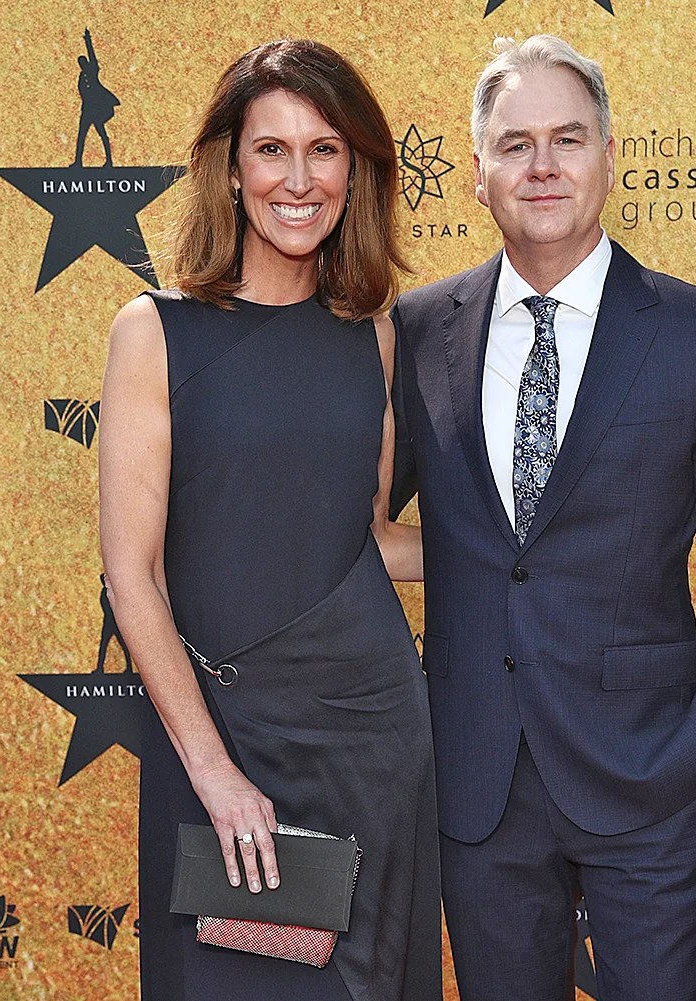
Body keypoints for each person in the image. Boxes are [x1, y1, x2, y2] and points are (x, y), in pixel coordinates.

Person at [389, 35, 696, 1001]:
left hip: (655, 775)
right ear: (476, 172)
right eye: (515, 143)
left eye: (567, 138)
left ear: (610, 157)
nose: (543, 165)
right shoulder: (418, 328)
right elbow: (365, 518)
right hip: (478, 781)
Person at [98, 40, 440, 1001]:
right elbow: (134, 576)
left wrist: (521, 555)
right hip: (219, 744)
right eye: (272, 150)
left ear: (355, 171)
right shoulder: (155, 332)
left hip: (370, 741)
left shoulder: (371, 336)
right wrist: (215, 773)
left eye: (324, 150)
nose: (299, 180)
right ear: (231, 168)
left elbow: (365, 538)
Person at [74, 28, 120, 167]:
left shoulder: (92, 70)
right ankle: (78, 162)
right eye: (80, 63)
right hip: (87, 110)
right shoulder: (82, 77)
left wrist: (87, 40)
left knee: (102, 134)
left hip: (98, 109)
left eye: (84, 62)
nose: (83, 64)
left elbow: (92, 55)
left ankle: (109, 161)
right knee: (81, 137)